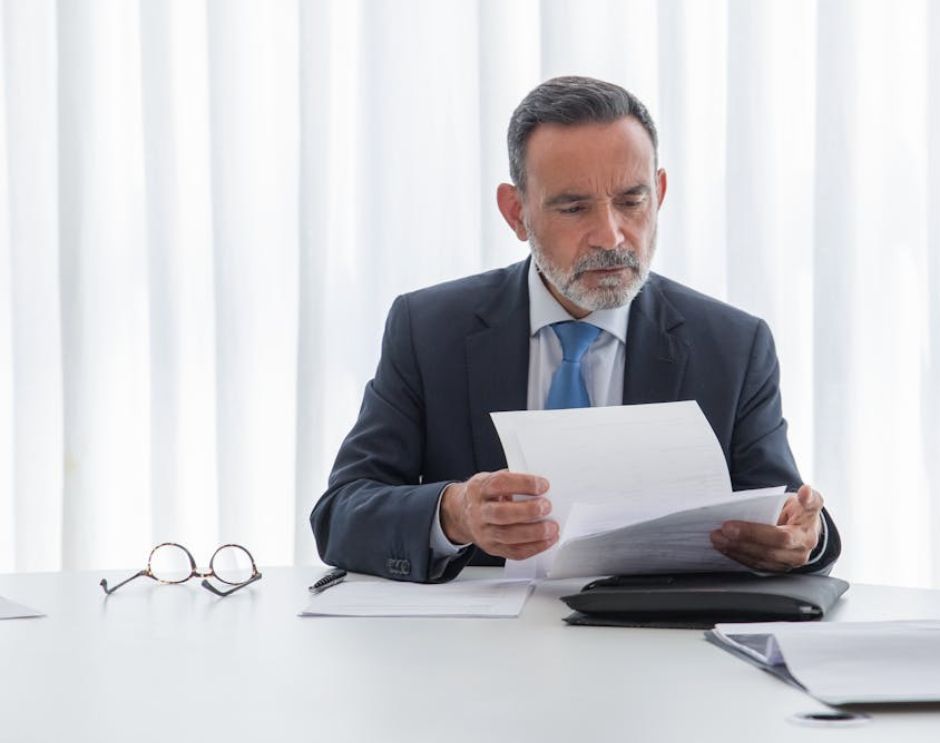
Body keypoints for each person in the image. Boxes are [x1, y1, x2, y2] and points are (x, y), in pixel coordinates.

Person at [311, 76, 840, 583]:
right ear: (516, 212)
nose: (610, 235)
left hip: (663, 652)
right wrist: (454, 515)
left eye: (632, 201)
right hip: (478, 655)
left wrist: (803, 538)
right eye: (574, 207)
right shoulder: (429, 330)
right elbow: (340, 514)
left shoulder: (732, 345)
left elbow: (788, 515)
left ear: (659, 192)